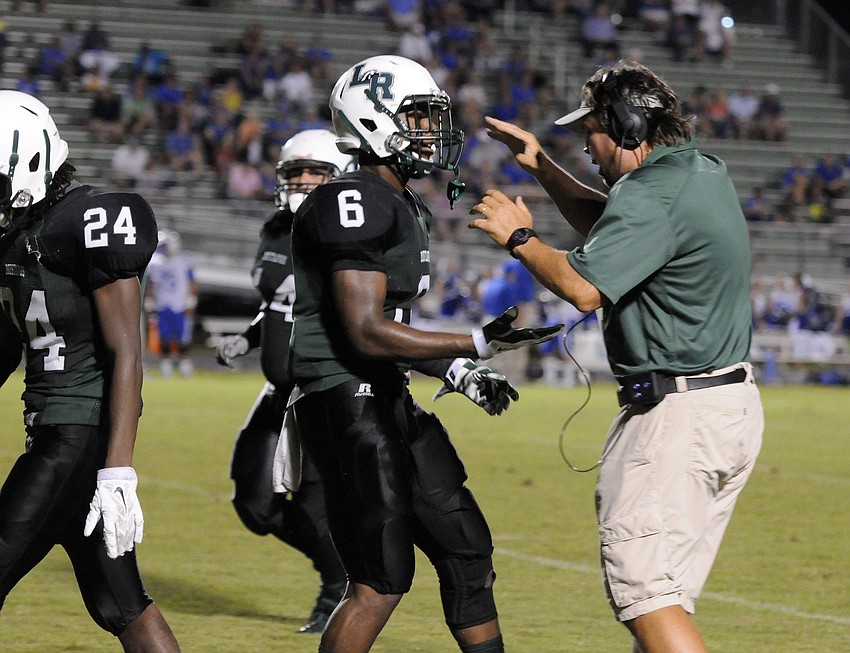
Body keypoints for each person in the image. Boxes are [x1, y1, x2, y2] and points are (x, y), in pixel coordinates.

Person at [469, 60, 764, 653]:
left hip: (678, 419)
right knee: (666, 599)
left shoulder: (652, 193)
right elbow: (620, 226)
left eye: (592, 134)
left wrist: (519, 239)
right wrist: (544, 169)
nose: (587, 149)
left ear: (628, 126)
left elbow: (584, 286)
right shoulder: (700, 172)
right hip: (726, 407)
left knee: (648, 599)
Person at [289, 54, 562, 653]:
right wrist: (476, 343)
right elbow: (365, 330)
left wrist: (459, 368)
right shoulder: (351, 199)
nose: (429, 132)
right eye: (415, 118)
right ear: (371, 120)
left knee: (466, 550)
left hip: (385, 399)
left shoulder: (397, 199)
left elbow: (393, 324)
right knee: (381, 581)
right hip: (345, 405)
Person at [0, 90, 180, 650]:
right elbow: (9, 345)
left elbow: (127, 351)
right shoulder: (16, 235)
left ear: (26, 160)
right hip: (57, 434)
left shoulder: (89, 217)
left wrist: (118, 470)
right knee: (121, 603)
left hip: (77, 438)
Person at [215, 129, 355, 634]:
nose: (302, 182)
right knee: (254, 503)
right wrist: (248, 339)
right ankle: (339, 571)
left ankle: (338, 587)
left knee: (316, 504)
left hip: (322, 389)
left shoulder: (348, 235)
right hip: (277, 391)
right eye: (295, 173)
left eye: (314, 173)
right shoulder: (276, 230)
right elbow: (275, 305)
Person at [144, 229, 198, 378]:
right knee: (164, 337)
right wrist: (150, 302)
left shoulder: (184, 261)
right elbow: (150, 284)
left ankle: (184, 365)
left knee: (183, 337)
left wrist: (191, 301)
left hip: (180, 304)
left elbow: (192, 283)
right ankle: (166, 366)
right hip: (162, 305)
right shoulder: (155, 262)